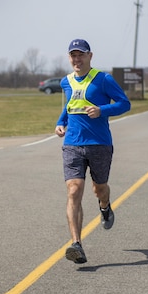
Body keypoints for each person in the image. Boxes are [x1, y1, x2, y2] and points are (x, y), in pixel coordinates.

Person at [55, 39, 131, 264]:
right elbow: (70, 106)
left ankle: (105, 207)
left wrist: (102, 110)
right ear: (69, 58)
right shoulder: (66, 82)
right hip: (72, 144)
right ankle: (76, 244)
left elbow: (124, 103)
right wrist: (61, 122)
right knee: (73, 190)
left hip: (99, 144)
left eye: (81, 55)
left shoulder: (104, 79)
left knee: (100, 189)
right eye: (73, 56)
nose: (76, 60)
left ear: (90, 56)